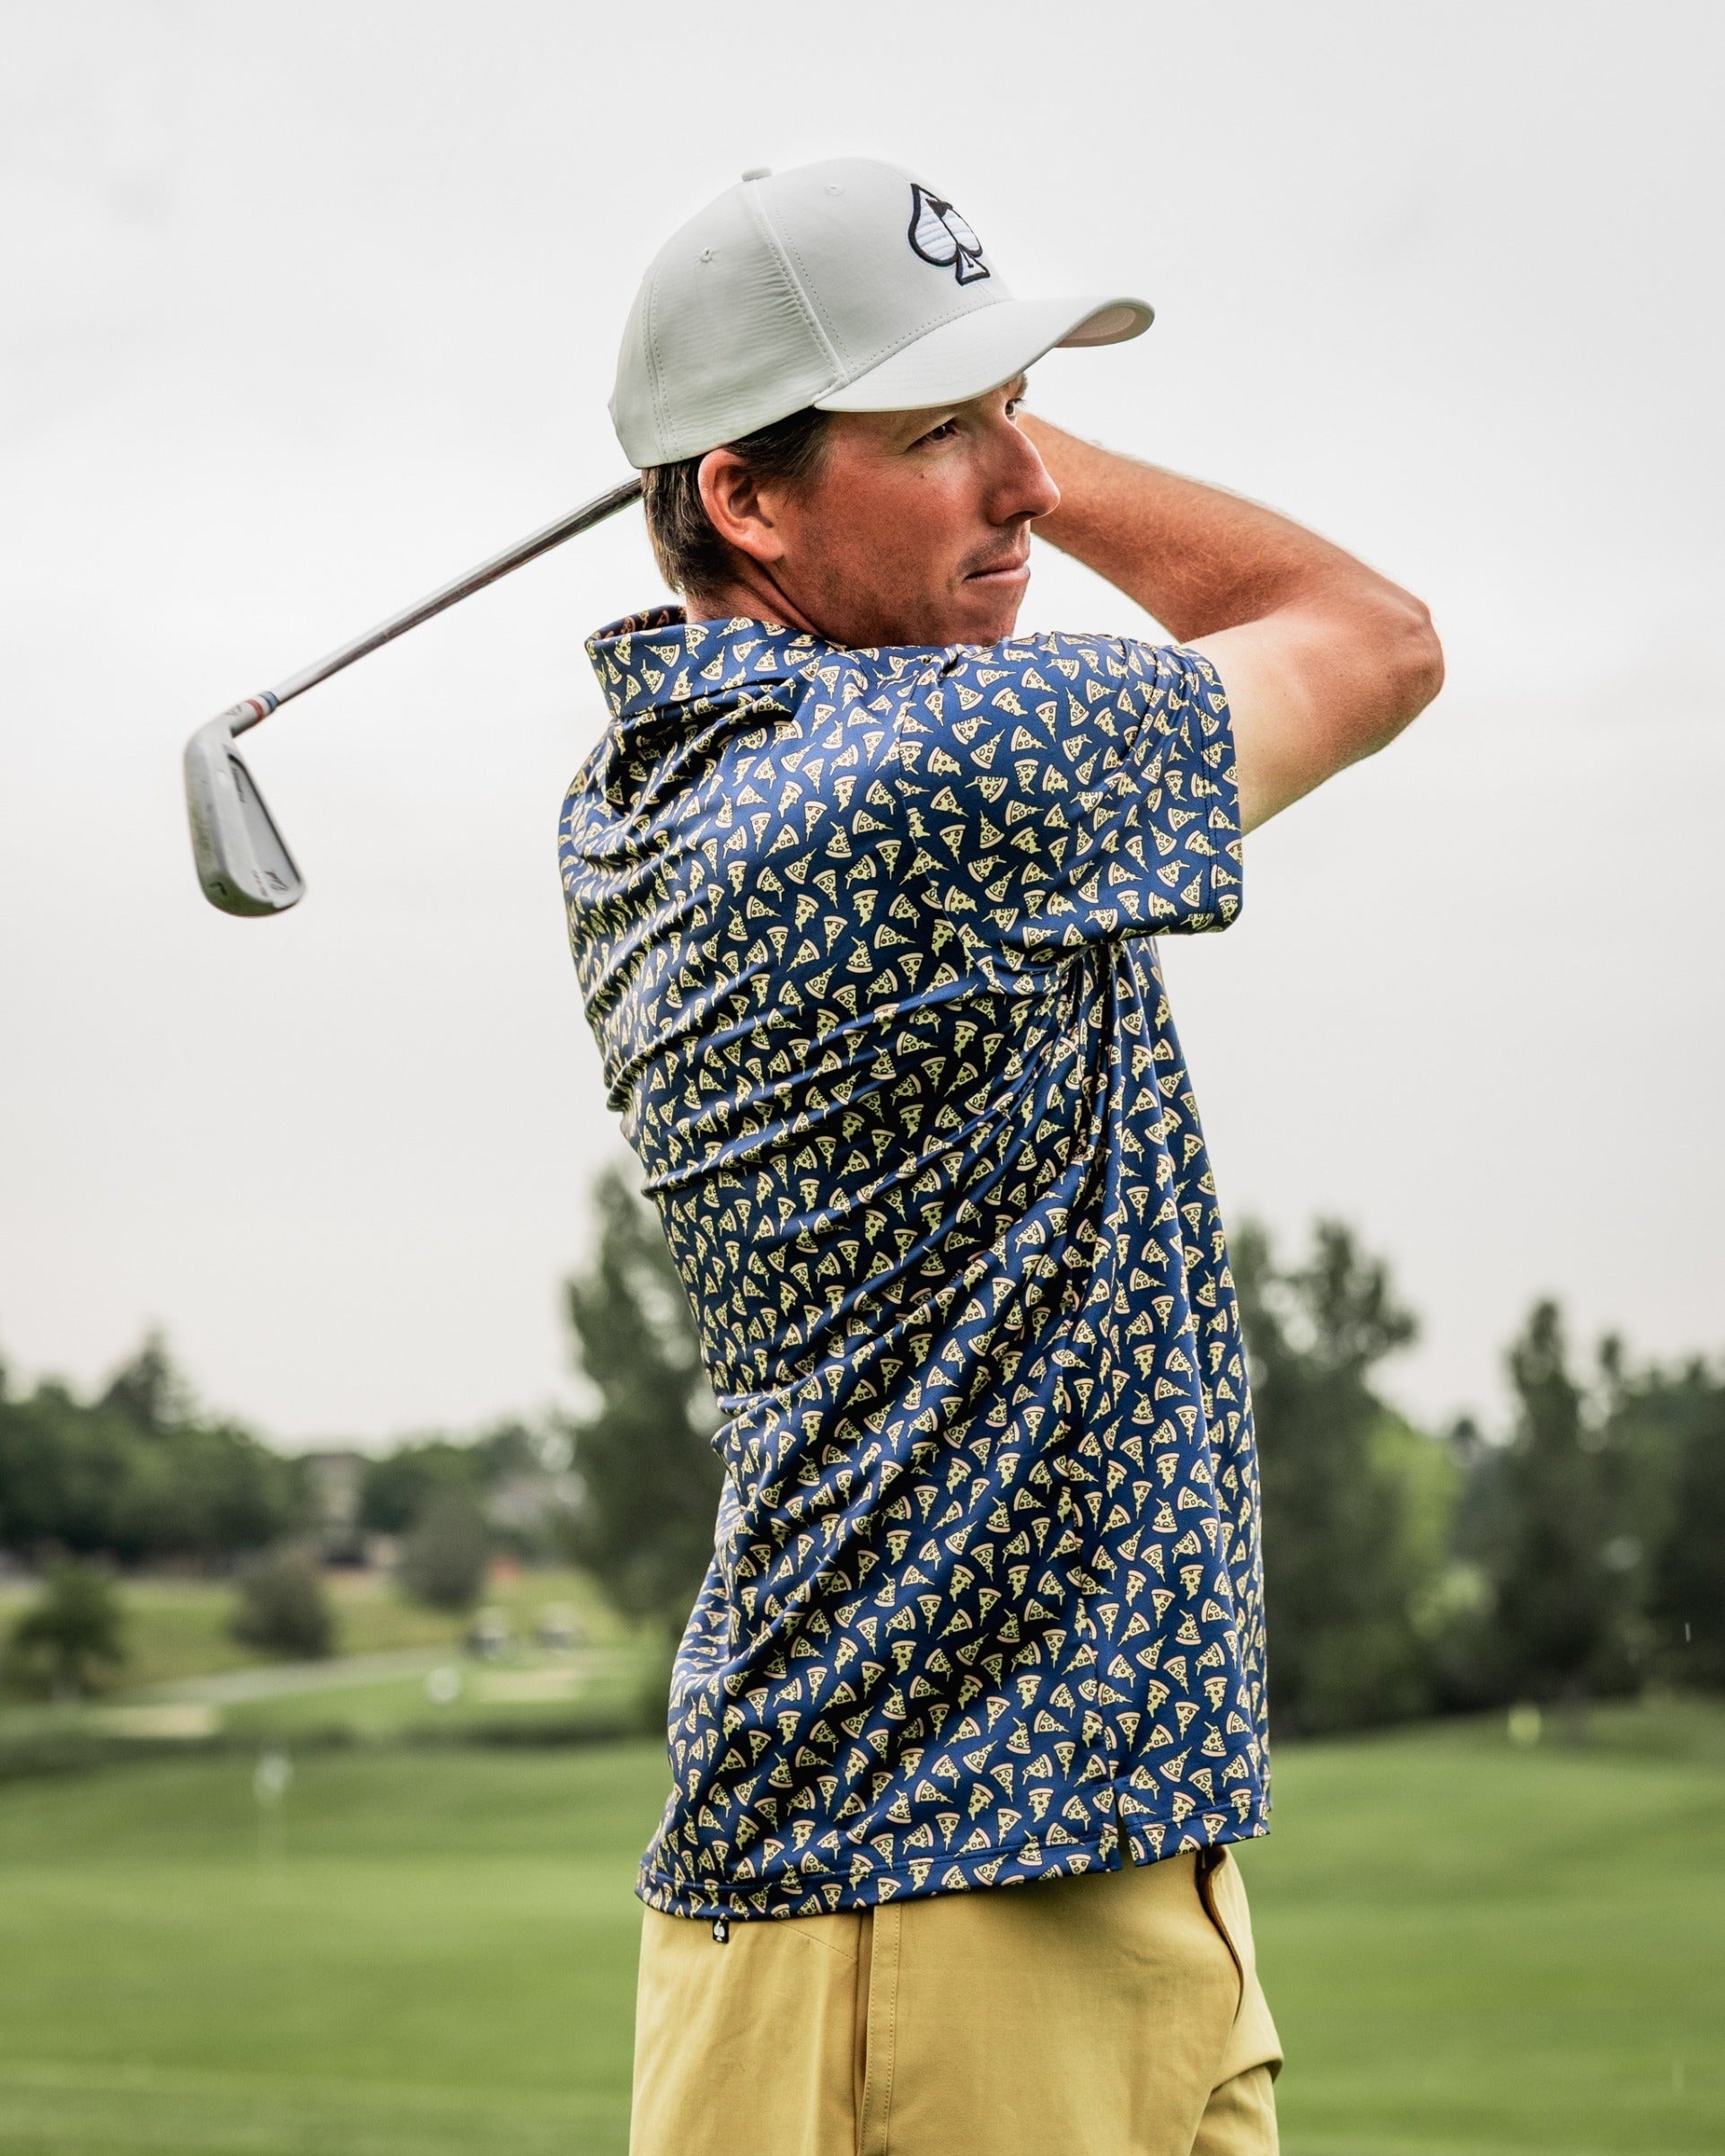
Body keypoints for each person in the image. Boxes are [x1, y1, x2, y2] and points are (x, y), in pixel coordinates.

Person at [559, 158, 1442, 2156]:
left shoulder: (655, 779)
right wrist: (1046, 429)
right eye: (946, 429)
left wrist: (938, 401)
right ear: (745, 496)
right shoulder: (921, 771)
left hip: (1070, 1861)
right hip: (918, 1922)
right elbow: (1367, 636)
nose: (1025, 486)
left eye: (1014, 412)